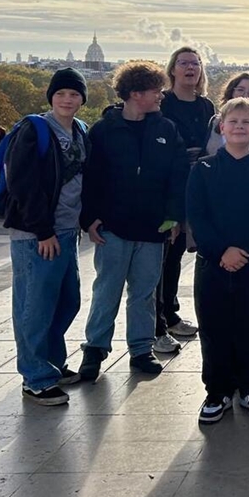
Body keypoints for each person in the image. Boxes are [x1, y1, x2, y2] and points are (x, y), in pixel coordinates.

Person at [77, 61, 189, 381]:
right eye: (155, 90)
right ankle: (95, 349)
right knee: (107, 291)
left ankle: (141, 349)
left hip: (153, 228)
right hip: (114, 226)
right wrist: (90, 219)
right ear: (135, 93)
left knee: (144, 293)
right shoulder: (103, 131)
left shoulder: (166, 129)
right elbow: (92, 179)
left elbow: (177, 177)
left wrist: (173, 218)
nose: (161, 96)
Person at [188, 97, 249, 424]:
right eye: (234, 122)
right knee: (214, 328)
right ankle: (216, 391)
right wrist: (222, 252)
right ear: (222, 127)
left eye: (247, 122)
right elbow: (197, 217)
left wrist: (247, 251)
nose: (240, 127)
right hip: (214, 264)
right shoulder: (202, 169)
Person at [4, 68, 90, 405]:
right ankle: (35, 376)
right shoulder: (34, 129)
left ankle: (52, 363)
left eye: (73, 94)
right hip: (36, 233)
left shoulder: (80, 130)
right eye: (61, 94)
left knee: (66, 301)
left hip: (68, 230)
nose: (67, 100)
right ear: (51, 97)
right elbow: (23, 184)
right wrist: (43, 230)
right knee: (35, 306)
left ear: (82, 99)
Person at [155, 47, 215, 355]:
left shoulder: (206, 106)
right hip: (172, 183)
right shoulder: (162, 104)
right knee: (166, 251)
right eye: (183, 62)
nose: (190, 67)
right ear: (173, 69)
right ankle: (157, 323)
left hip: (199, 183)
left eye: (195, 63)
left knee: (178, 253)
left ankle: (171, 312)